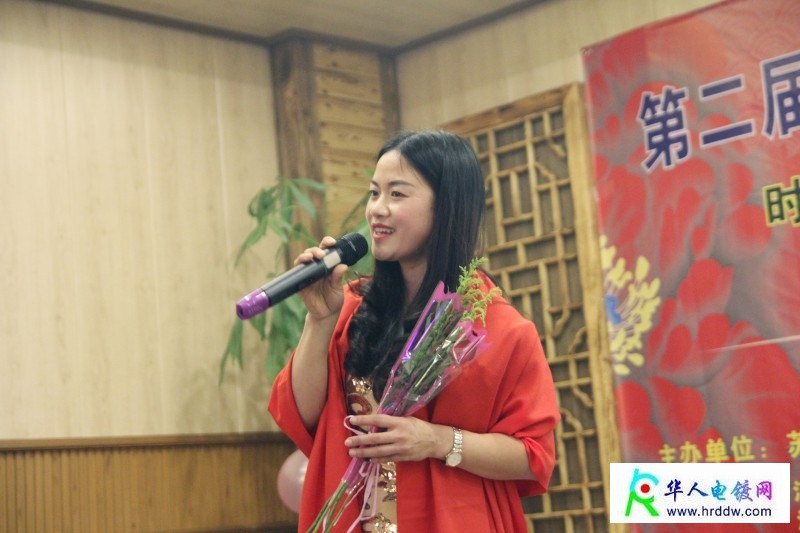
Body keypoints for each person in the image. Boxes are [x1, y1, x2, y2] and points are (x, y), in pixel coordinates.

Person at [268, 130, 560, 532]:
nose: (377, 210)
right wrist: (319, 321)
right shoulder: (348, 305)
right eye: (374, 193)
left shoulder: (500, 327)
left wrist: (437, 440)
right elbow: (305, 418)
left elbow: (532, 456)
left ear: (447, 206)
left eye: (397, 194)